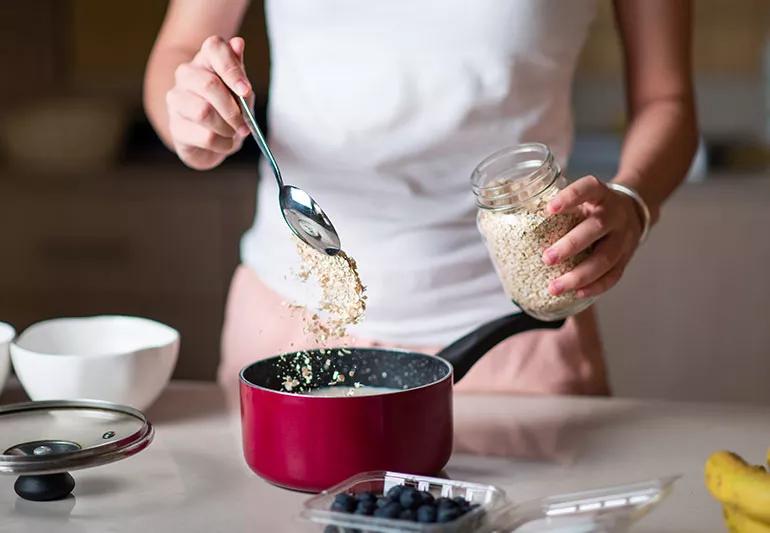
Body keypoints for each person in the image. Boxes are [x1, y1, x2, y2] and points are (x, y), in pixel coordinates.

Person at [144, 1, 697, 395]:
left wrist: (634, 198)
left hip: (516, 334)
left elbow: (666, 97)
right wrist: (191, 115)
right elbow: (179, 48)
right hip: (293, 322)